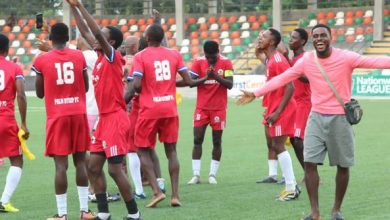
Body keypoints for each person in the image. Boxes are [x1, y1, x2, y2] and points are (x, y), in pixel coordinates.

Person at [237, 23, 390, 220]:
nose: (319, 39)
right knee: (309, 163)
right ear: (312, 39)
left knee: (343, 166)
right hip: (316, 117)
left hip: (340, 118)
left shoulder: (346, 57)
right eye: (316, 36)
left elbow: (378, 62)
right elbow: (283, 79)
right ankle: (315, 212)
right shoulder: (307, 61)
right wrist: (256, 93)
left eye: (323, 35)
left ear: (330, 38)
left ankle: (336, 210)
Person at [67, 0, 141, 219]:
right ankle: (103, 213)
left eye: (102, 35)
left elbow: (96, 33)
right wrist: (72, 7)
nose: (95, 37)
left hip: (116, 119)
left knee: (114, 169)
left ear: (110, 41)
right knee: (93, 167)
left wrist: (81, 6)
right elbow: (84, 30)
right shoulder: (99, 57)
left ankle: (134, 214)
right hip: (103, 120)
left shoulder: (112, 57)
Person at [132, 24, 204, 208]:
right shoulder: (174, 54)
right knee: (171, 151)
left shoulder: (140, 56)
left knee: (141, 149)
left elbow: (138, 86)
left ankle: (156, 191)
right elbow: (188, 81)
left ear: (147, 38)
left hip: (149, 109)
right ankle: (175, 196)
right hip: (170, 108)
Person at [32, 23, 95, 220]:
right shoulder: (79, 56)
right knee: (80, 163)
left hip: (57, 116)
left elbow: (40, 93)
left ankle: (62, 214)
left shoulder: (42, 60)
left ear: (50, 38)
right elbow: (85, 86)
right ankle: (84, 211)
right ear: (68, 38)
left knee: (61, 166)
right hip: (78, 113)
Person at [245, 28, 300, 201]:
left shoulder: (278, 60)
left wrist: (277, 111)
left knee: (278, 145)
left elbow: (290, 87)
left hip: (282, 109)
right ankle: (291, 185)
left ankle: (291, 187)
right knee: (275, 145)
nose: (260, 38)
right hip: (275, 107)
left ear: (273, 42)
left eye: (264, 36)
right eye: (259, 35)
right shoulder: (271, 60)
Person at [186, 40, 233, 185]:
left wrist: (216, 77)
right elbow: (190, 82)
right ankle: (196, 175)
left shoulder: (226, 63)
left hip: (219, 109)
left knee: (217, 141)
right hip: (202, 108)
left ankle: (212, 174)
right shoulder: (198, 62)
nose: (210, 60)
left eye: (213, 57)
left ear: (218, 52)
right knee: (197, 140)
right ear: (204, 54)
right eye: (208, 57)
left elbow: (230, 84)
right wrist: (206, 77)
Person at [0, 33, 29, 213]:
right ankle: (4, 201)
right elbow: (21, 95)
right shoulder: (14, 67)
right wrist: (24, 123)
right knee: (16, 161)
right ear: (7, 49)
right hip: (5, 120)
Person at [123, 35, 147, 199]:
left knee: (130, 150)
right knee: (146, 148)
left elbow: (130, 86)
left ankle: (138, 189)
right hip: (145, 107)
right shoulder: (143, 58)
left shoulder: (127, 61)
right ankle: (157, 182)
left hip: (129, 106)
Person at [288, 28, 310, 174]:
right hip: (293, 104)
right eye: (290, 37)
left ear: (302, 41)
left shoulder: (306, 58)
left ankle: (310, 174)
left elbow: (308, 79)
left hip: (304, 102)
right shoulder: (291, 60)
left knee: (297, 140)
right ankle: (308, 173)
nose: (290, 40)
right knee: (293, 140)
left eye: (294, 38)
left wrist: (292, 68)